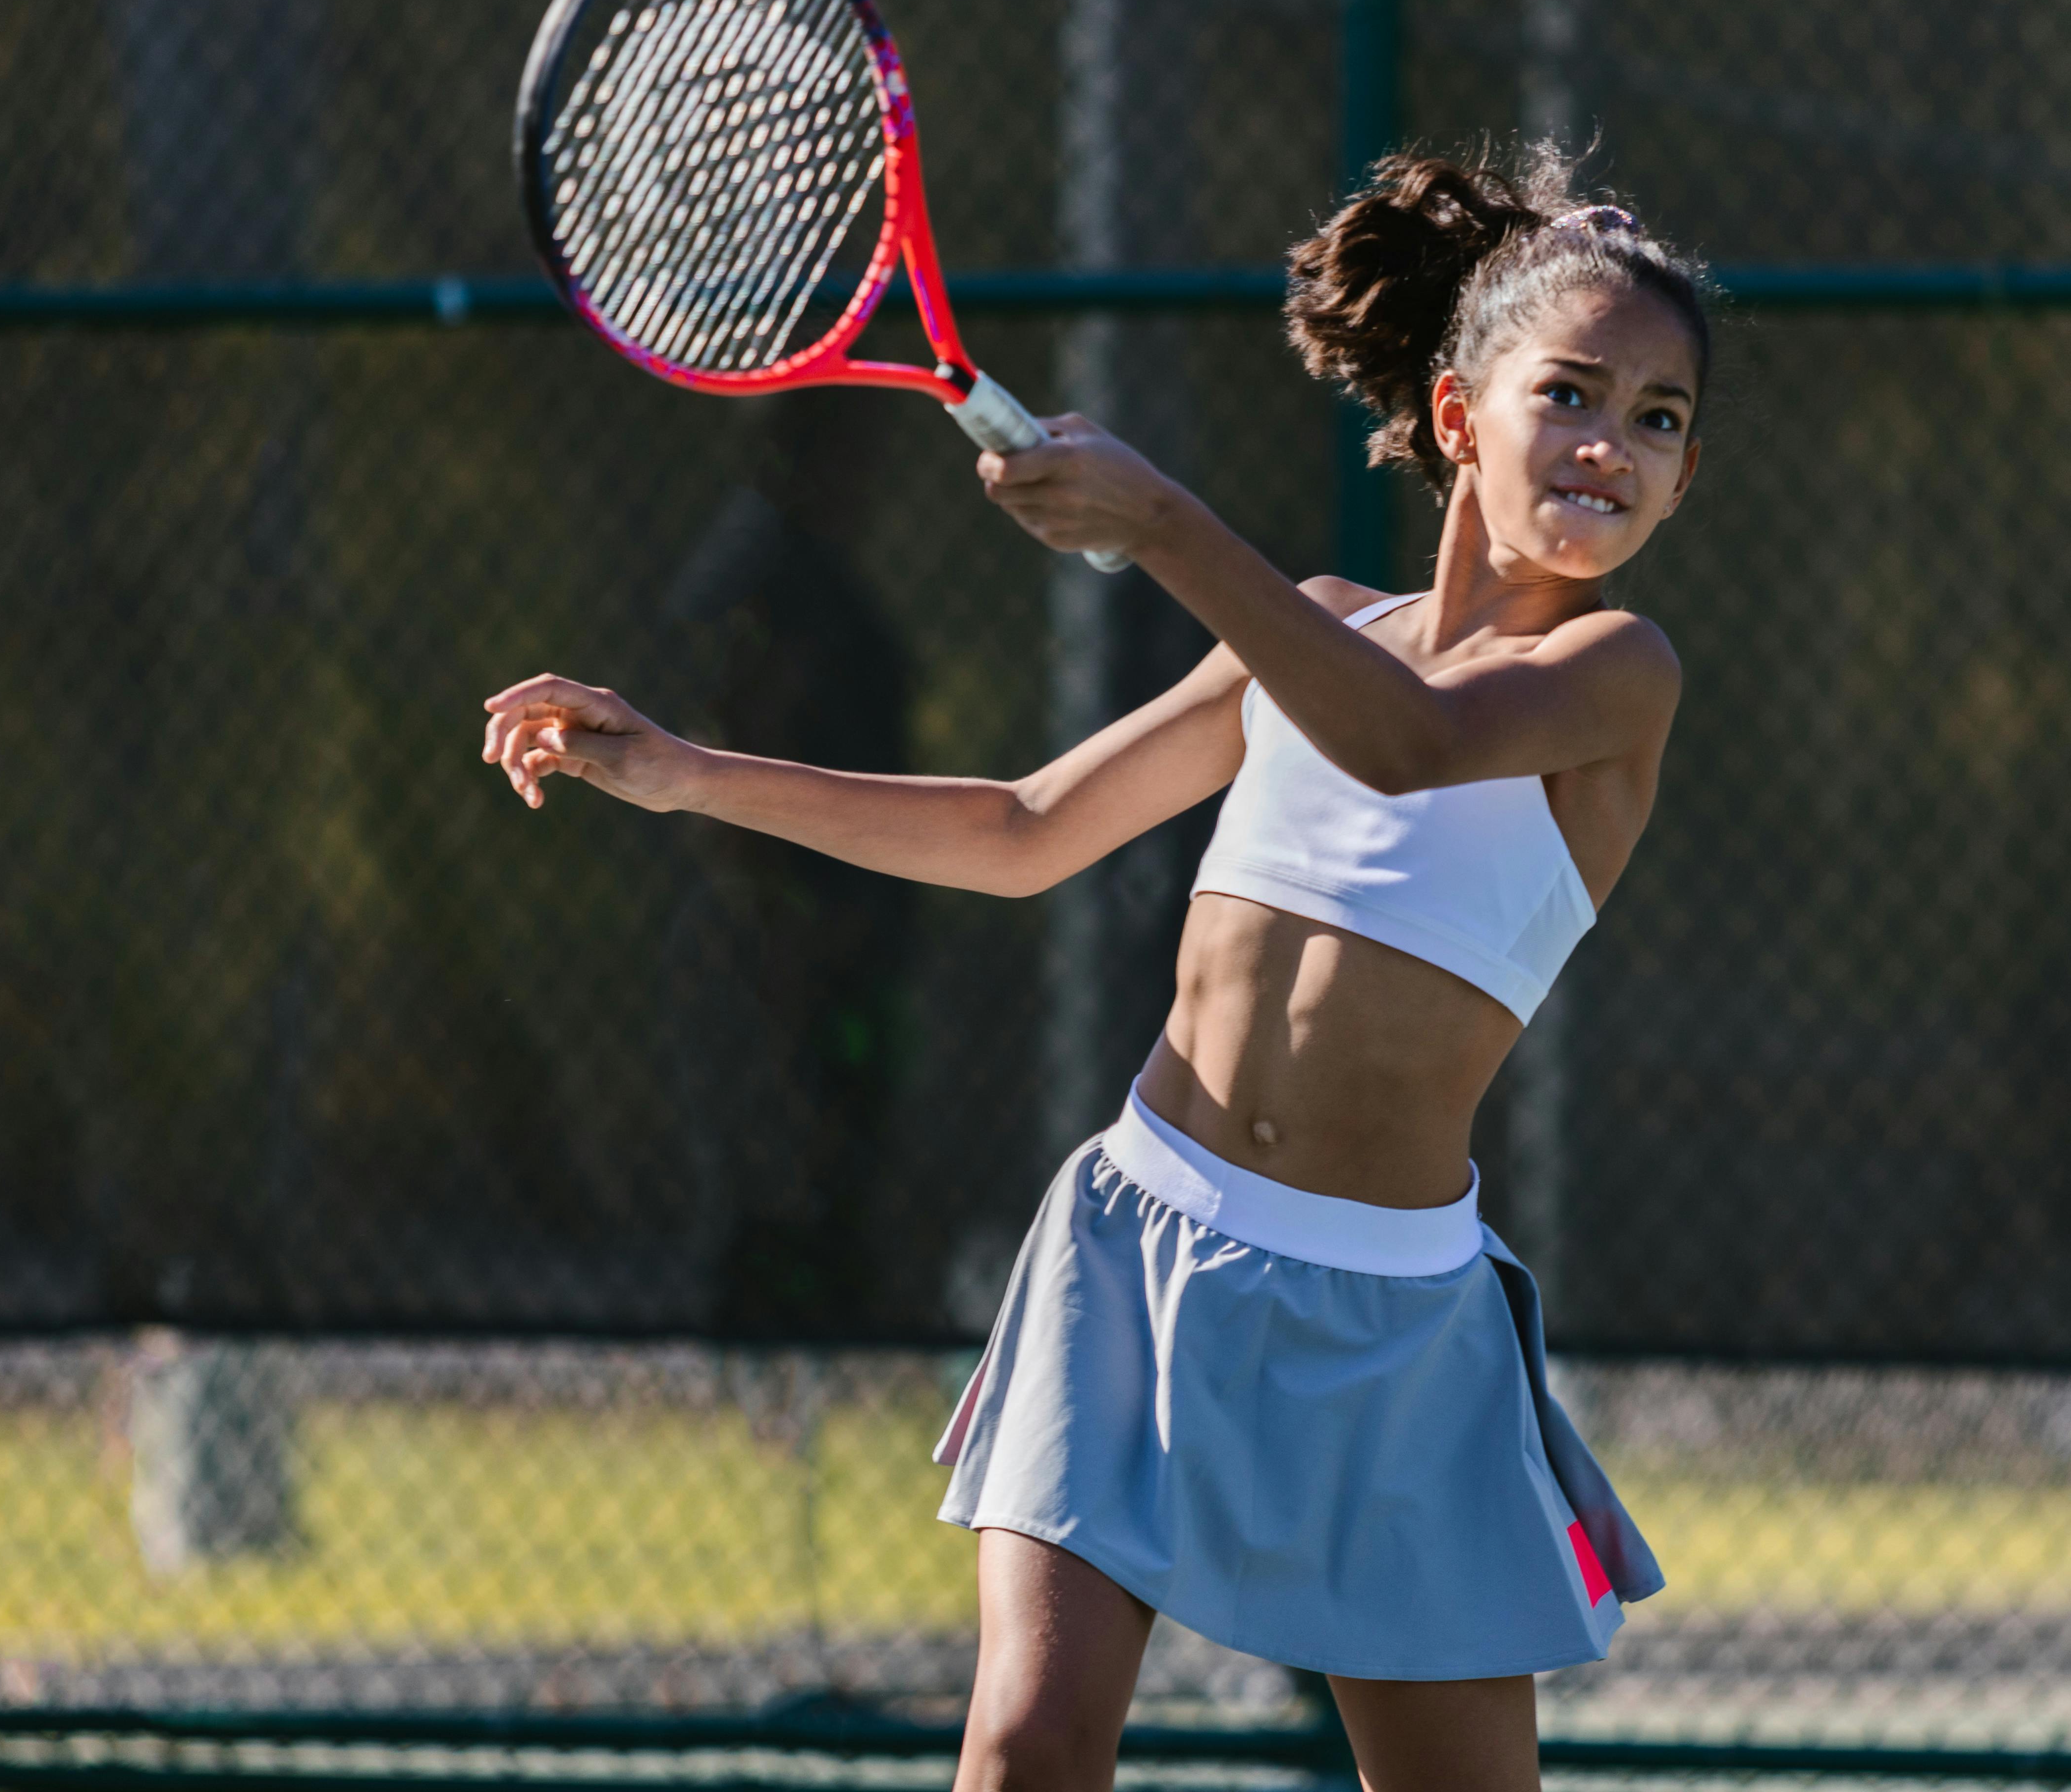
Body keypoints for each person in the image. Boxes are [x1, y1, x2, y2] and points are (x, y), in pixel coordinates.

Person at [482, 143, 1709, 1792]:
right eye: (1573, 392)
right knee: (1026, 1755)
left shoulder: (1616, 674)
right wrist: (691, 770)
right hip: (1143, 1252)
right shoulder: (1318, 629)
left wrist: (1163, 523)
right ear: (1453, 416)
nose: (1611, 445)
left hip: (1400, 1331)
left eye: (1660, 418)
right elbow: (1015, 829)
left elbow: (1414, 747)